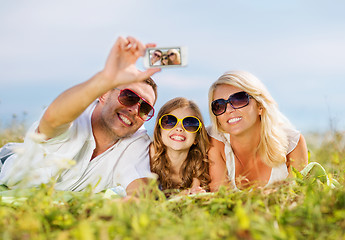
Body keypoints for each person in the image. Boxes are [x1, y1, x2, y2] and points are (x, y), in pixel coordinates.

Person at [0, 36, 161, 196]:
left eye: (145, 108)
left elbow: (140, 187)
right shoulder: (75, 115)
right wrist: (105, 78)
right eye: (129, 97)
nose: (134, 109)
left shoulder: (137, 141)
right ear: (103, 94)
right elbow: (52, 119)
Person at [207, 70, 308, 191]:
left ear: (260, 106)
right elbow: (221, 201)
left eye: (239, 100)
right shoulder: (214, 140)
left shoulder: (293, 143)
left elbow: (296, 197)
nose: (228, 110)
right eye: (219, 105)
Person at [150, 97, 210, 196]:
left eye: (190, 123)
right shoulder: (149, 157)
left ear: (197, 138)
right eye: (170, 121)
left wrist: (196, 192)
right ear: (159, 131)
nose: (179, 128)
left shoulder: (199, 164)